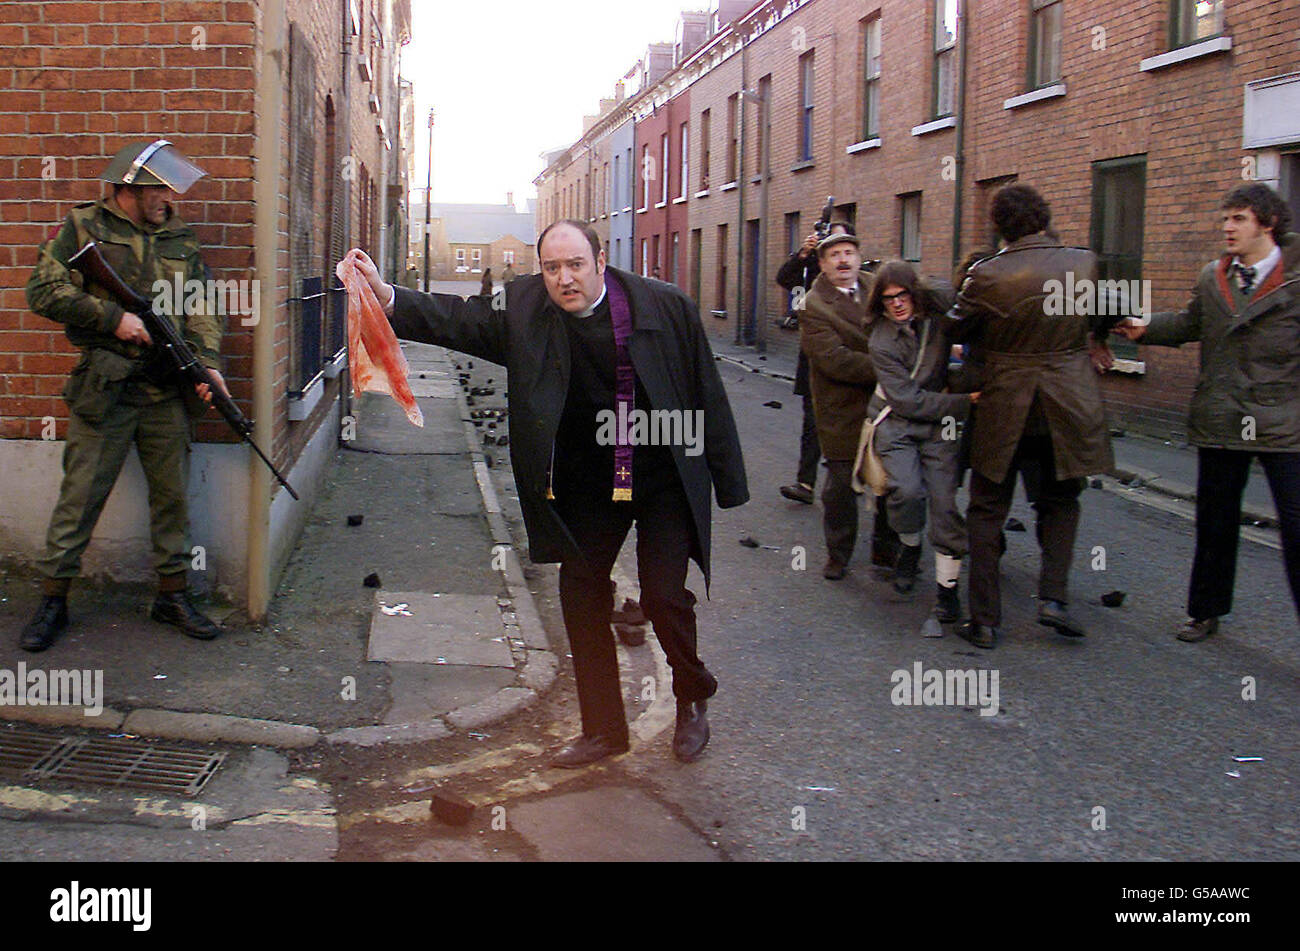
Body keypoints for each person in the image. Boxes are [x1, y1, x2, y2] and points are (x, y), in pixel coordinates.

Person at [346, 219, 748, 766]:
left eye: (575, 265)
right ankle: (605, 730)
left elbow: (707, 388)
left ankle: (692, 693)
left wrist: (727, 479)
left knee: (661, 596)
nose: (564, 278)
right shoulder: (524, 308)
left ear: (600, 263)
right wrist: (387, 295)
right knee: (581, 595)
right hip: (588, 482)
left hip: (660, 478)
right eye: (552, 267)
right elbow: (459, 322)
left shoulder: (663, 307)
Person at [20, 140, 228, 652]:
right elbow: (42, 292)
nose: (169, 197)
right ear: (129, 188)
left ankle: (172, 595)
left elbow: (200, 304)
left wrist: (208, 363)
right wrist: (114, 319)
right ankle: (53, 600)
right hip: (105, 387)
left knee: (173, 500)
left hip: (165, 391)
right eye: (160, 187)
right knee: (80, 500)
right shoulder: (84, 227)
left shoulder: (180, 235)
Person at [1115, 183, 1300, 641]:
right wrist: (1145, 329)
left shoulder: (1295, 281)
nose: (1227, 227)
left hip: (1284, 421)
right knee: (1214, 522)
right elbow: (1191, 323)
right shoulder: (1212, 277)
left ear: (1268, 222)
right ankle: (1205, 610)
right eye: (1225, 219)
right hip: (1222, 415)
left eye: (1238, 218)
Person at [945, 184, 1114, 649]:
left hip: (1005, 402)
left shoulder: (986, 274)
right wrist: (1096, 339)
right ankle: (1053, 599)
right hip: (1067, 402)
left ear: (1000, 224)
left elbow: (956, 326)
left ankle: (984, 620)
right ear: (1044, 218)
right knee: (1061, 501)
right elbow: (1107, 310)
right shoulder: (1084, 262)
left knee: (987, 508)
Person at [865, 262, 976, 620]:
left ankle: (947, 592)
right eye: (888, 299)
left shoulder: (936, 320)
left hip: (938, 426)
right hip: (898, 423)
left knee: (945, 502)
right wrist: (962, 403)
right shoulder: (881, 340)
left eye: (903, 295)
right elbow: (908, 401)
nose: (897, 304)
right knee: (908, 492)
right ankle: (909, 548)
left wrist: (929, 288)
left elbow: (961, 302)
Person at [800, 230, 899, 579]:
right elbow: (834, 360)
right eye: (834, 255)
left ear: (858, 257)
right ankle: (838, 554)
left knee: (888, 479)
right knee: (841, 484)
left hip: (888, 405)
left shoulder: (881, 288)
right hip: (842, 407)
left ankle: (886, 554)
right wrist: (893, 367)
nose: (843, 260)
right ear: (823, 265)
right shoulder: (813, 305)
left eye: (848, 253)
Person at [775, 222, 853, 506]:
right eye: (828, 242)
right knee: (813, 422)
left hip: (849, 365)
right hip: (814, 361)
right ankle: (806, 483)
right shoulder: (812, 277)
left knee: (848, 423)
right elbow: (785, 279)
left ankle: (851, 481)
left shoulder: (858, 282)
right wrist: (801, 255)